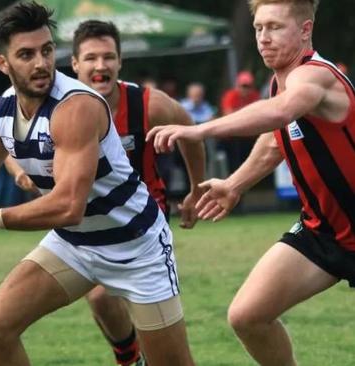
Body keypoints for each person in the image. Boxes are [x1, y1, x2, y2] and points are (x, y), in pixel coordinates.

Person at [0, 3, 197, 365]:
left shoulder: (77, 107)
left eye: (46, 51)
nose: (41, 63)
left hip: (136, 248)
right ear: (3, 64)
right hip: (75, 244)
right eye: (26, 55)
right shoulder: (1, 111)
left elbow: (67, 206)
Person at [147, 0, 354, 364]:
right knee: (248, 316)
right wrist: (235, 184)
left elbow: (281, 112)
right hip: (323, 232)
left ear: (305, 30)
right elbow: (277, 138)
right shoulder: (280, 82)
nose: (263, 38)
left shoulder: (314, 76)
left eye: (274, 27)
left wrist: (198, 130)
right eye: (258, 28)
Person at [70, 20, 206, 366]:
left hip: (143, 215)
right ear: (75, 65)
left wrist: (196, 189)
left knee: (107, 295)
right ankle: (130, 358)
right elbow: (12, 145)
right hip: (89, 217)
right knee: (99, 300)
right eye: (91, 58)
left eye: (108, 57)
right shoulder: (61, 106)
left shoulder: (149, 104)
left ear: (120, 62)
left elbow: (190, 131)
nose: (100, 66)